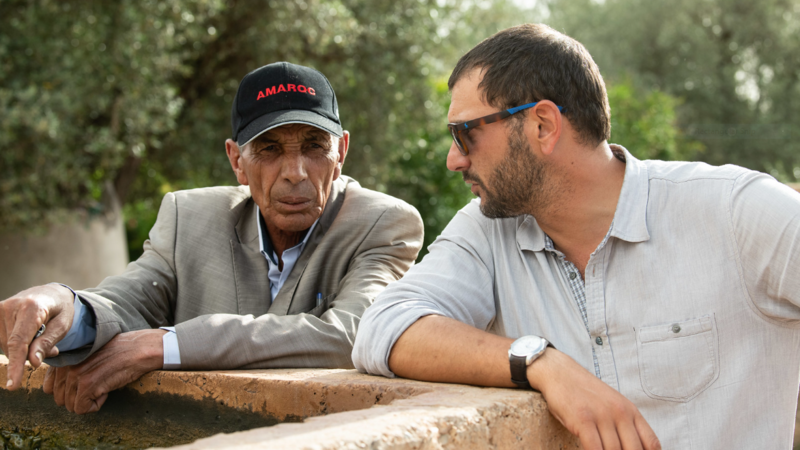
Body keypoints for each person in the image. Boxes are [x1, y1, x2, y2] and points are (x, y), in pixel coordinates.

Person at [352, 24, 800, 450]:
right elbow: (382, 329)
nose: (454, 159)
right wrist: (539, 362)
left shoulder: (736, 211)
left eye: (465, 134)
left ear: (542, 125)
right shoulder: (488, 231)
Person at [0, 62, 423, 415]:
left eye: (314, 146)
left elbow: (354, 332)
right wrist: (66, 307)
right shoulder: (190, 216)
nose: (295, 172)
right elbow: (130, 299)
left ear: (342, 151)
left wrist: (162, 345)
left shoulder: (384, 222)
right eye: (270, 150)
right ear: (237, 161)